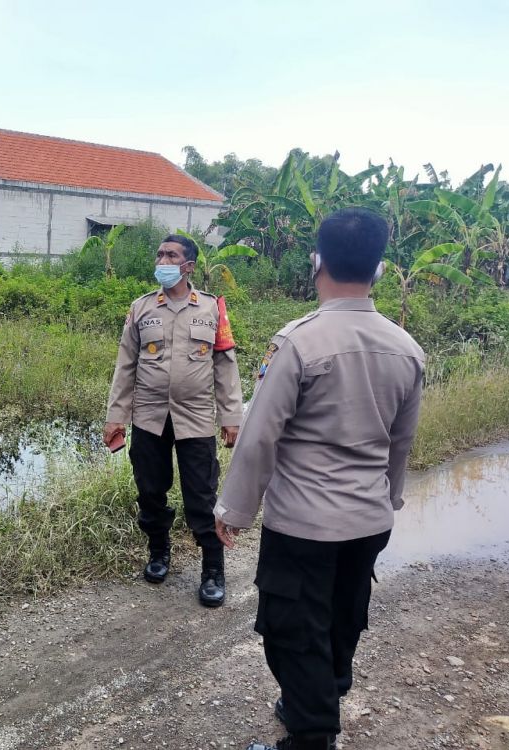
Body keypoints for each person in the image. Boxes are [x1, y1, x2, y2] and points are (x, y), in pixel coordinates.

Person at [214, 208, 425, 750]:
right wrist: (390, 497)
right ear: (379, 269)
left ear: (317, 262)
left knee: (292, 632)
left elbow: (260, 436)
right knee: (342, 617)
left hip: (305, 525)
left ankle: (312, 735)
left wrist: (233, 511)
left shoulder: (299, 342)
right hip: (368, 519)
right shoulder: (406, 348)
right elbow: (399, 443)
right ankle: (317, 700)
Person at [105, 234, 243, 607]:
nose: (162, 259)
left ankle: (213, 570)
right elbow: (126, 365)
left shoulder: (212, 309)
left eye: (171, 255)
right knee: (150, 490)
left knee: (201, 496)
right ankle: (158, 553)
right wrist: (115, 416)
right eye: (160, 252)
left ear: (189, 266)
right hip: (149, 417)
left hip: (196, 418)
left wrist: (232, 417)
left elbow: (225, 366)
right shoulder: (142, 307)